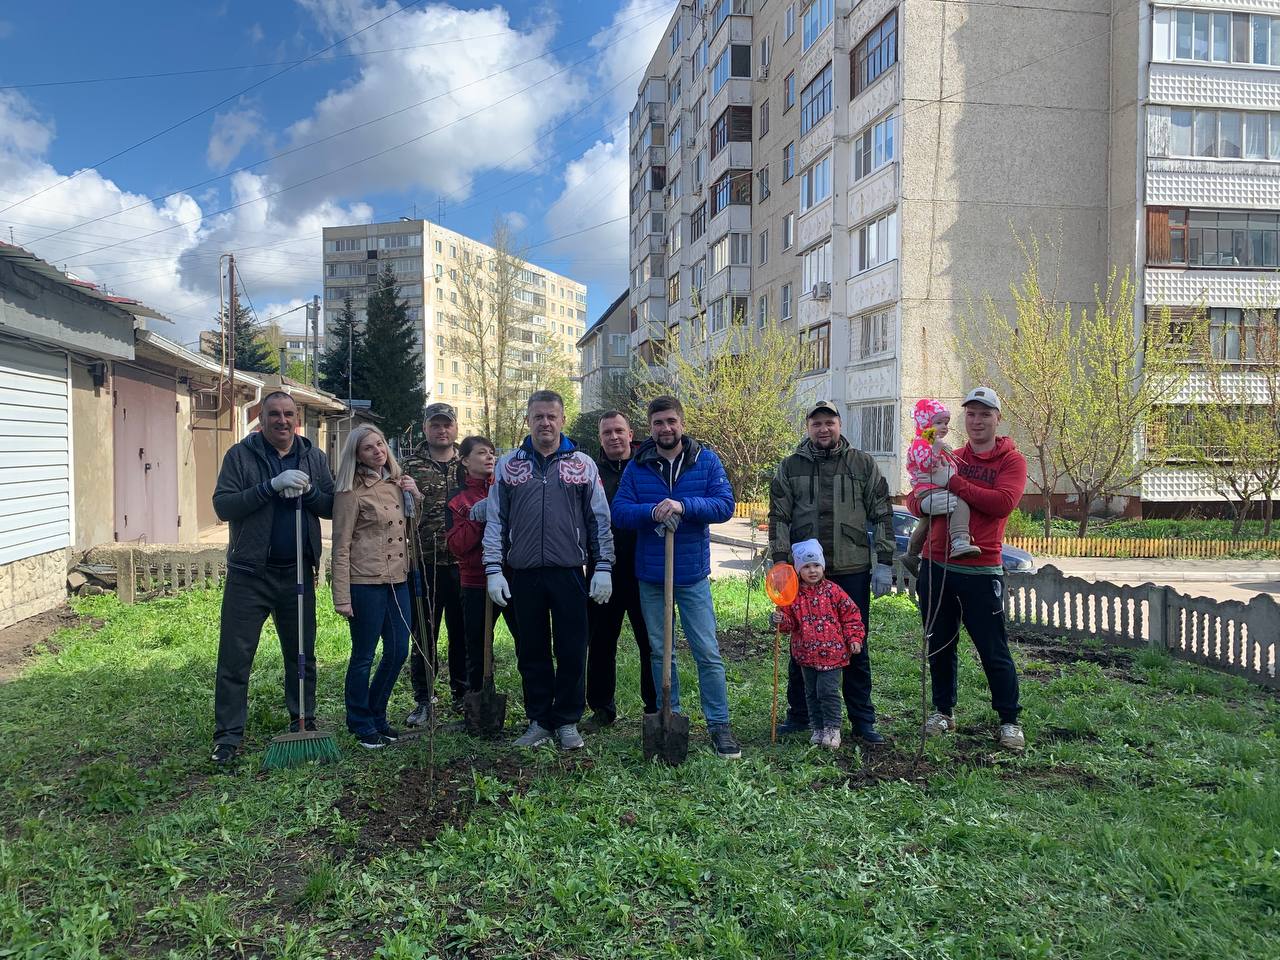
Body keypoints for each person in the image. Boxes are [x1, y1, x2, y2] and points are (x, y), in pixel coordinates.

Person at [482, 390, 615, 750]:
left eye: (551, 416)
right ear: (528, 420)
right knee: (532, 649)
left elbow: (598, 519)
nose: (545, 423)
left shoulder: (583, 465)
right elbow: (496, 520)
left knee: (573, 649)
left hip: (570, 572)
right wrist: (493, 568)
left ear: (562, 420)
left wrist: (603, 566)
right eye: (538, 416)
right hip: (523, 574)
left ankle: (568, 719)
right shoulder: (509, 466)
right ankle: (539, 719)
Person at [612, 396, 742, 759]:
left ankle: (719, 725)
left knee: (707, 652)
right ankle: (671, 716)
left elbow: (724, 505)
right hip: (651, 576)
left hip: (692, 576)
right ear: (650, 428)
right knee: (660, 652)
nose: (665, 428)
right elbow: (620, 512)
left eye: (671, 421)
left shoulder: (706, 460)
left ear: (682, 423)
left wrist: (683, 506)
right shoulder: (638, 467)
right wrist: (653, 511)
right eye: (658, 423)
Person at [210, 391, 334, 765]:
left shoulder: (313, 457)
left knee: (301, 655)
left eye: (288, 415)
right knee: (235, 657)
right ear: (260, 419)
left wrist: (310, 492)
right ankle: (228, 736)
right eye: (274, 415)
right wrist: (270, 486)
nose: (282, 421)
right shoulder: (240, 456)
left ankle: (303, 718)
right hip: (250, 575)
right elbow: (223, 505)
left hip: (296, 573)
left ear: (296, 419)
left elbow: (331, 507)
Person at [767, 401, 894, 746]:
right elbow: (779, 515)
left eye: (830, 422)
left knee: (854, 643)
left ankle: (862, 720)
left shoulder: (861, 464)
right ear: (808, 427)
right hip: (803, 572)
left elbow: (881, 511)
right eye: (816, 423)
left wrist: (883, 561)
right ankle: (800, 715)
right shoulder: (790, 467)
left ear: (839, 425)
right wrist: (780, 564)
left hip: (850, 567)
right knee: (800, 640)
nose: (824, 429)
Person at [909, 386, 1028, 752]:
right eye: (971, 414)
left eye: (984, 414)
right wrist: (926, 501)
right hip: (937, 563)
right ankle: (943, 711)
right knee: (940, 643)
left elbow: (1002, 503)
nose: (976, 421)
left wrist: (955, 484)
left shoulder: (1011, 462)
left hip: (981, 567)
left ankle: (1009, 720)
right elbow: (914, 498)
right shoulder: (951, 454)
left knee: (992, 647)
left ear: (997, 418)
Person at [331, 425, 421, 749]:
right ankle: (360, 722)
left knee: (398, 651)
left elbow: (413, 526)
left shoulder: (395, 485)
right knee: (364, 656)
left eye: (380, 444)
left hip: (398, 580)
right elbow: (340, 546)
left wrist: (414, 493)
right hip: (364, 582)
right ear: (356, 454)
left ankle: (376, 714)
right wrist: (341, 596)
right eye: (369, 448)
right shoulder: (350, 492)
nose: (378, 451)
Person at [582, 411, 658, 731]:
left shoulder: (647, 468)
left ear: (631, 434)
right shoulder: (591, 474)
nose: (613, 437)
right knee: (600, 641)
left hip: (644, 570)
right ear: (600, 439)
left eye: (619, 431)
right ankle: (601, 708)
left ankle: (655, 707)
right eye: (606, 433)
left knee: (650, 640)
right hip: (603, 570)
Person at [399, 402, 465, 726]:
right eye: (435, 425)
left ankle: (462, 696)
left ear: (455, 427)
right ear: (425, 428)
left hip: (462, 564)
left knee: (462, 634)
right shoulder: (408, 466)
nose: (442, 430)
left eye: (447, 424)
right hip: (424, 562)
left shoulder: (466, 464)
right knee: (424, 634)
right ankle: (424, 700)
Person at [771, 539, 866, 750]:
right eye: (806, 566)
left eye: (816, 565)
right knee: (811, 692)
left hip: (833, 653)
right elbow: (789, 625)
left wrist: (854, 638)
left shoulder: (834, 591)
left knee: (827, 691)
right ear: (798, 570)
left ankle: (833, 728)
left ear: (823, 566)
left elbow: (851, 615)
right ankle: (818, 727)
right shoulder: (792, 596)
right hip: (806, 655)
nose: (812, 571)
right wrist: (779, 620)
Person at [446, 435, 520, 695]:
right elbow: (456, 545)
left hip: (511, 577)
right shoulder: (458, 499)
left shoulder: (506, 488)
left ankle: (536, 703)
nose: (489, 457)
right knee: (476, 646)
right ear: (465, 460)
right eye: (481, 453)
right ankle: (477, 699)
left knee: (526, 640)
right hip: (476, 581)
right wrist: (477, 519)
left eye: (491, 452)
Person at [902, 398, 980, 577]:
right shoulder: (922, 441)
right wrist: (937, 450)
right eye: (938, 422)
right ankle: (960, 540)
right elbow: (925, 464)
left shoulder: (933, 442)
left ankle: (911, 553)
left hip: (929, 487)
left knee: (927, 521)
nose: (944, 426)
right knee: (959, 503)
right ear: (925, 423)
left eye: (946, 423)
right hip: (927, 486)